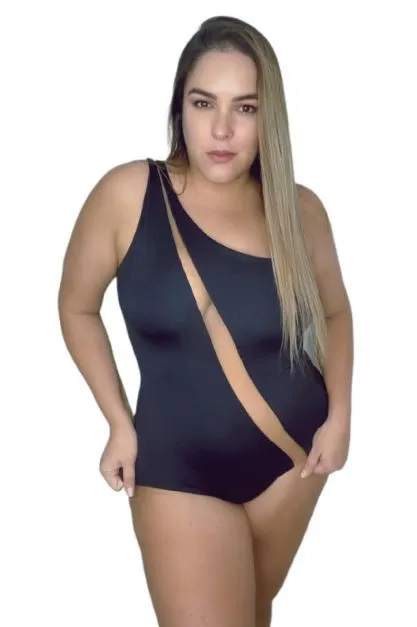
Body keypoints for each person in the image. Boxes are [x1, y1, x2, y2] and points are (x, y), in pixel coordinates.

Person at [58, 14, 353, 627]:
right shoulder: (129, 194)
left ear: (268, 119)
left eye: (245, 108)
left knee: (251, 615)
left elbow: (335, 311)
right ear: (180, 108)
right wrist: (117, 421)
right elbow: (76, 307)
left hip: (294, 458)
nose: (222, 129)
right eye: (203, 103)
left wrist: (341, 417)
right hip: (177, 470)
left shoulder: (299, 210)